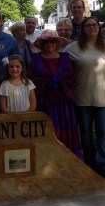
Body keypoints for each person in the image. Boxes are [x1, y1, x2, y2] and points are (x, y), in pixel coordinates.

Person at [65, 17, 105, 179]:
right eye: (88, 25)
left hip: (103, 97)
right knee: (86, 133)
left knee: (103, 132)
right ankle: (90, 162)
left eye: (95, 24)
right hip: (82, 97)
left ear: (99, 27)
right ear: (83, 29)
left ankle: (103, 164)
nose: (92, 27)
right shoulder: (72, 48)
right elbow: (65, 69)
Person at [28, 29, 82, 158]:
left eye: (52, 41)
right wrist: (48, 83)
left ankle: (67, 158)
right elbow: (31, 80)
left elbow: (72, 78)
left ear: (57, 43)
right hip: (44, 102)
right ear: (41, 44)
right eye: (46, 42)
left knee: (64, 131)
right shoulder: (35, 59)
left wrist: (58, 83)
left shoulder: (65, 58)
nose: (49, 44)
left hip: (63, 103)